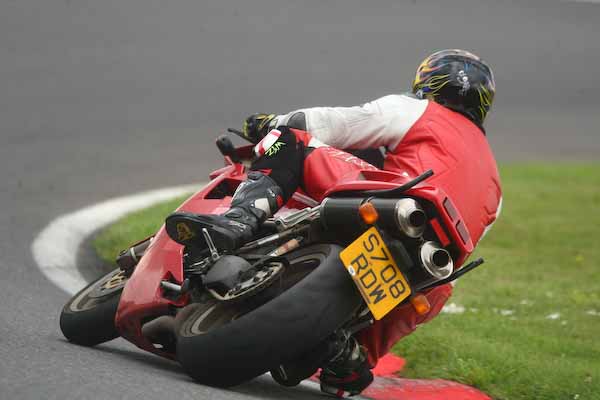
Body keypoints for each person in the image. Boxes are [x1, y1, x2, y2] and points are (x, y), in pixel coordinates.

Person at [165, 49, 502, 397]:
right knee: (439, 289)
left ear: (428, 83)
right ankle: (350, 356)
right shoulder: (495, 181)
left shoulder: (416, 111)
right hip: (434, 264)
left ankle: (238, 222)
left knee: (287, 138)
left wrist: (270, 123)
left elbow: (329, 123)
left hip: (391, 202)